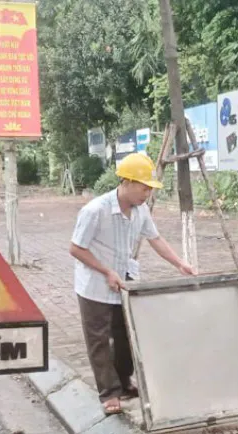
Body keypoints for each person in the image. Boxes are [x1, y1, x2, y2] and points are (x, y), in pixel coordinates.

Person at [70, 153, 196, 414]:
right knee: (99, 340)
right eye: (143, 186)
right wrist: (106, 271)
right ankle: (109, 394)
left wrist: (180, 263)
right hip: (94, 285)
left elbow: (156, 239)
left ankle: (124, 383)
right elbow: (76, 248)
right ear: (126, 182)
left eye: (150, 188)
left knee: (126, 334)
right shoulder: (95, 210)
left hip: (124, 281)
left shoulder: (141, 212)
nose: (147, 193)